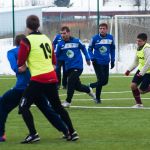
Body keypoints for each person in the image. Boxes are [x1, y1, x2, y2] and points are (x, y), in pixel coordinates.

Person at [17, 15, 79, 144]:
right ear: (38, 25)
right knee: (58, 107)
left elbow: (20, 62)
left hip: (38, 79)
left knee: (23, 106)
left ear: (27, 26)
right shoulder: (47, 39)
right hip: (52, 77)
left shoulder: (26, 41)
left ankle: (33, 134)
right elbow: (54, 61)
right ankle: (72, 132)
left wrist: (23, 66)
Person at [0, 34, 69, 142]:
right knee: (47, 110)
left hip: (22, 87)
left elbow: (16, 68)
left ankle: (1, 134)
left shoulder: (12, 52)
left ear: (16, 43)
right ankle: (66, 130)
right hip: (37, 84)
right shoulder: (33, 49)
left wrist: (23, 66)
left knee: (2, 105)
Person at [56, 26, 96, 108]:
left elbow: (84, 48)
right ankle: (89, 90)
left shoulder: (77, 41)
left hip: (77, 66)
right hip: (68, 68)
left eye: (64, 33)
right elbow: (57, 56)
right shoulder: (60, 44)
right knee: (78, 86)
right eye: (61, 34)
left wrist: (88, 58)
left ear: (68, 33)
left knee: (70, 82)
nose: (62, 35)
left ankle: (68, 101)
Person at [88, 23, 115, 103]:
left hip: (106, 62)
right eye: (100, 28)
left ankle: (90, 86)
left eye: (103, 28)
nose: (102, 30)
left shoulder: (110, 38)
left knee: (105, 81)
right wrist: (92, 58)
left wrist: (112, 60)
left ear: (106, 29)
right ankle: (98, 99)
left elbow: (113, 49)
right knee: (101, 80)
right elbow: (89, 49)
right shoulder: (95, 38)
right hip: (97, 62)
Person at [125, 33, 150, 108]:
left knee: (141, 91)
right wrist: (129, 70)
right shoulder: (139, 48)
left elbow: (148, 63)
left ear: (145, 41)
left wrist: (141, 73)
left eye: (140, 41)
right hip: (141, 70)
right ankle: (139, 104)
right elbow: (136, 61)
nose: (138, 42)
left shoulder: (147, 49)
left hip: (148, 72)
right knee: (133, 86)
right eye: (137, 41)